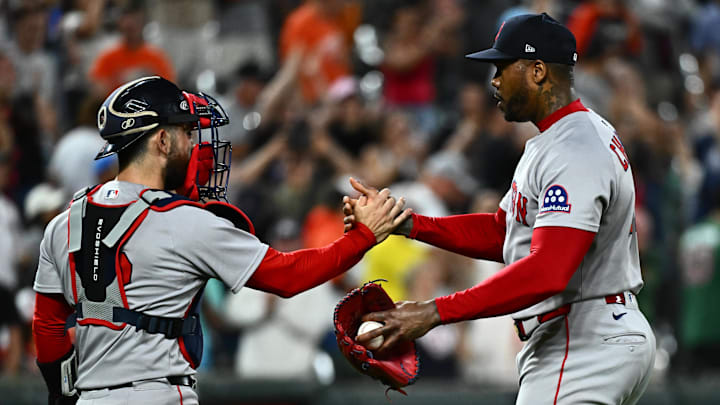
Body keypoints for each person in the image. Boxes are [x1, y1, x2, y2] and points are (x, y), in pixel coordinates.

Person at [31, 76, 410, 405]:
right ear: (162, 140)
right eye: (186, 132)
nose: (194, 144)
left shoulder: (64, 222)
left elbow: (47, 327)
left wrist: (64, 396)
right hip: (157, 394)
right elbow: (289, 276)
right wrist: (364, 236)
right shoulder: (184, 222)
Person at [344, 13, 656, 405]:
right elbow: (502, 231)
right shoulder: (556, 140)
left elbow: (547, 271)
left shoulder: (575, 147)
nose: (493, 80)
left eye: (502, 68)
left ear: (538, 71)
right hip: (586, 334)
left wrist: (435, 311)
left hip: (583, 338)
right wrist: (408, 224)